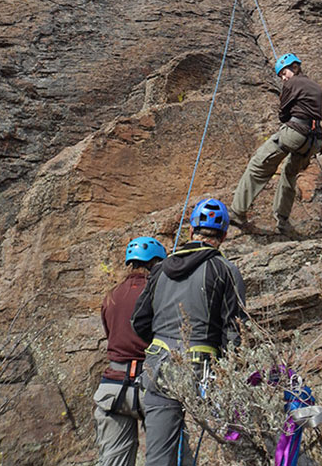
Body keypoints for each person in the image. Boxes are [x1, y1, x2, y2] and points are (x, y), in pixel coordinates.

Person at [131, 198, 246, 466]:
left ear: (191, 231)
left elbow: (138, 321)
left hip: (158, 367)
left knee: (159, 458)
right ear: (224, 235)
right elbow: (235, 330)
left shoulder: (159, 270)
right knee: (240, 444)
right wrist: (232, 374)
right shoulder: (225, 270)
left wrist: (161, 344)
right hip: (203, 371)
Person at [93, 236, 168, 466]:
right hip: (151, 385)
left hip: (112, 388)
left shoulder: (111, 296)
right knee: (166, 458)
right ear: (155, 263)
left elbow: (112, 335)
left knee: (113, 462)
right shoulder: (159, 292)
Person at [230, 53, 322, 233]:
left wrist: (286, 102)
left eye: (284, 73)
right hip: (314, 141)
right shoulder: (315, 86)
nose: (283, 78)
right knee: (290, 174)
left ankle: (237, 212)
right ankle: (283, 221)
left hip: (295, 133)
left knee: (259, 164)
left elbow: (283, 113)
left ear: (295, 67)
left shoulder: (292, 83)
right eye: (281, 76)